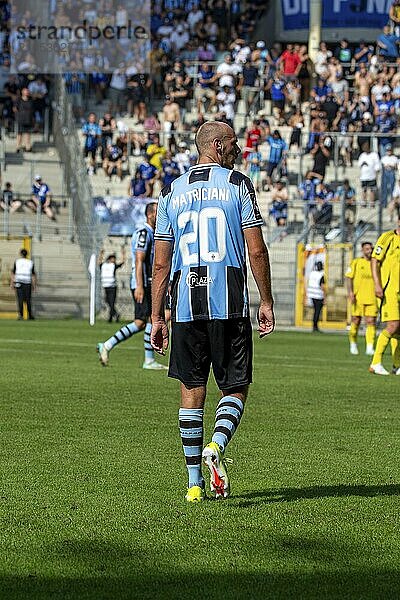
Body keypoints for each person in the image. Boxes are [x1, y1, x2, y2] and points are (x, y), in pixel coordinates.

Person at [150, 121, 275, 503]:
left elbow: (160, 262)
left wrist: (157, 316)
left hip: (185, 305)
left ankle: (193, 484)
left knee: (192, 390)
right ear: (217, 146)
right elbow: (256, 250)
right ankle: (217, 446)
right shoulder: (237, 184)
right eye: (234, 144)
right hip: (229, 300)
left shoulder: (173, 190)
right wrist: (266, 300)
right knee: (235, 387)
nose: (238, 150)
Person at [97, 203, 167, 370]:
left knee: (149, 320)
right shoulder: (144, 233)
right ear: (150, 215)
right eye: (158, 212)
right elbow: (139, 260)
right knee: (140, 322)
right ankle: (108, 345)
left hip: (148, 282)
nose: (161, 215)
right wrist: (140, 286)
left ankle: (148, 359)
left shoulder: (152, 233)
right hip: (142, 283)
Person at [369, 219, 400, 375]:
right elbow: (375, 260)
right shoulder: (388, 237)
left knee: (399, 329)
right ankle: (375, 362)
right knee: (393, 325)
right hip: (390, 289)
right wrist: (377, 284)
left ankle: (397, 365)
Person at [345, 242, 377, 356]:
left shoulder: (376, 263)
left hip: (372, 298)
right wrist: (350, 292)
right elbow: (349, 278)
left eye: (371, 249)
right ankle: (353, 343)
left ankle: (370, 347)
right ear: (363, 250)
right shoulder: (356, 262)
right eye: (367, 249)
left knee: (371, 321)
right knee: (356, 321)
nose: (369, 251)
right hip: (358, 298)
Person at [98, 250, 125, 323]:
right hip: (106, 286)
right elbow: (99, 262)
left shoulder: (113, 266)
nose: (114, 260)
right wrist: (101, 254)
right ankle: (116, 314)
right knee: (108, 302)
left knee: (112, 302)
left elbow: (122, 262)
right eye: (113, 259)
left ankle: (110, 318)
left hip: (112, 286)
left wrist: (123, 253)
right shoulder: (105, 265)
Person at [11, 248, 36, 320]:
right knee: (28, 300)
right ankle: (30, 315)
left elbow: (13, 273)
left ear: (21, 254)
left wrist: (12, 283)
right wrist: (34, 285)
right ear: (27, 254)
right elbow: (33, 274)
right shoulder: (30, 262)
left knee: (20, 299)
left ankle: (21, 315)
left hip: (18, 282)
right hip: (27, 282)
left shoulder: (17, 261)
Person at [306, 261, 325, 332]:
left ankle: (314, 325)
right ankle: (315, 326)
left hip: (312, 294)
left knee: (315, 311)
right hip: (319, 295)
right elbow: (322, 286)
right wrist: (325, 296)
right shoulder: (321, 274)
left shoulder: (312, 273)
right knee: (317, 311)